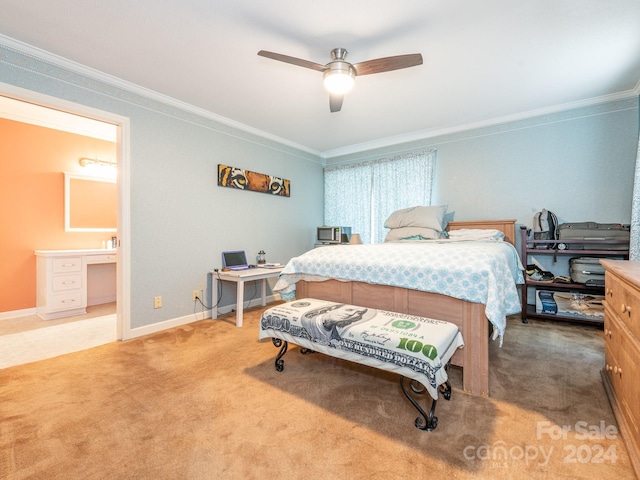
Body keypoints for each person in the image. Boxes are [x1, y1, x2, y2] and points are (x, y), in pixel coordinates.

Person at [300, 303, 374, 345]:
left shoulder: (336, 334)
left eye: (359, 313)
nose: (352, 314)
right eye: (349, 310)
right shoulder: (307, 321)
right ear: (332, 308)